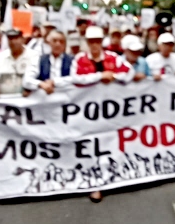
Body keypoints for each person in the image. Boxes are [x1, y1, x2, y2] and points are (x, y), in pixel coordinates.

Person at [71, 26, 134, 204]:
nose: (95, 45)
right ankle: (95, 183)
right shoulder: (80, 59)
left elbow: (128, 73)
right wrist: (99, 76)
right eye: (91, 42)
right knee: (92, 146)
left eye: (97, 41)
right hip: (87, 111)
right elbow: (75, 79)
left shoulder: (113, 58)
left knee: (109, 143)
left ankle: (108, 177)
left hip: (110, 109)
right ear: (87, 43)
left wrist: (114, 76)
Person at [23, 30, 72, 95]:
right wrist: (41, 84)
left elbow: (76, 79)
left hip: (67, 98)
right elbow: (26, 80)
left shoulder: (72, 60)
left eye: (61, 42)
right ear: (49, 43)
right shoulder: (40, 59)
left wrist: (54, 82)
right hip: (46, 99)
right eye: (54, 41)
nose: (58, 44)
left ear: (65, 44)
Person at [0, 29, 38, 95]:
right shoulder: (0, 57)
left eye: (16, 38)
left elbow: (38, 77)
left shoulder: (33, 55)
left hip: (27, 99)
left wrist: (31, 89)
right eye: (10, 39)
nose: (13, 41)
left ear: (23, 39)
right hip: (4, 99)